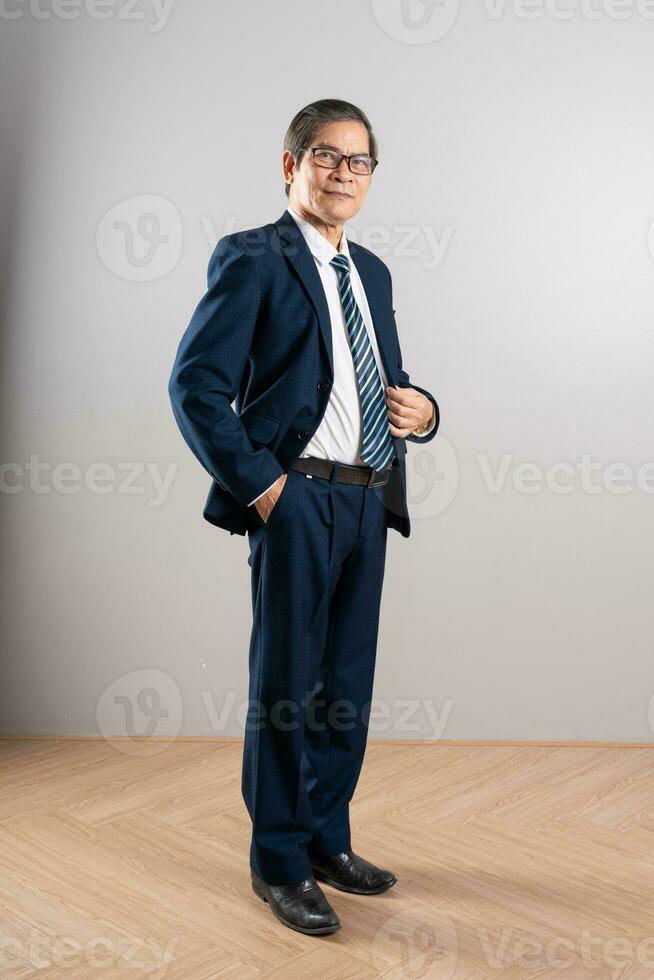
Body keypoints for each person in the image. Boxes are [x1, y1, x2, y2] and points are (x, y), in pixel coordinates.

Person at [168, 98, 440, 937]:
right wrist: (264, 488)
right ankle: (278, 862)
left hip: (367, 497)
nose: (344, 174)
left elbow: (381, 380)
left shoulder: (376, 274)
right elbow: (196, 386)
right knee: (287, 686)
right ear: (292, 165)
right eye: (328, 157)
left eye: (359, 162)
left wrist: (426, 411)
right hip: (296, 499)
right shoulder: (252, 258)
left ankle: (327, 839)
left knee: (345, 688)